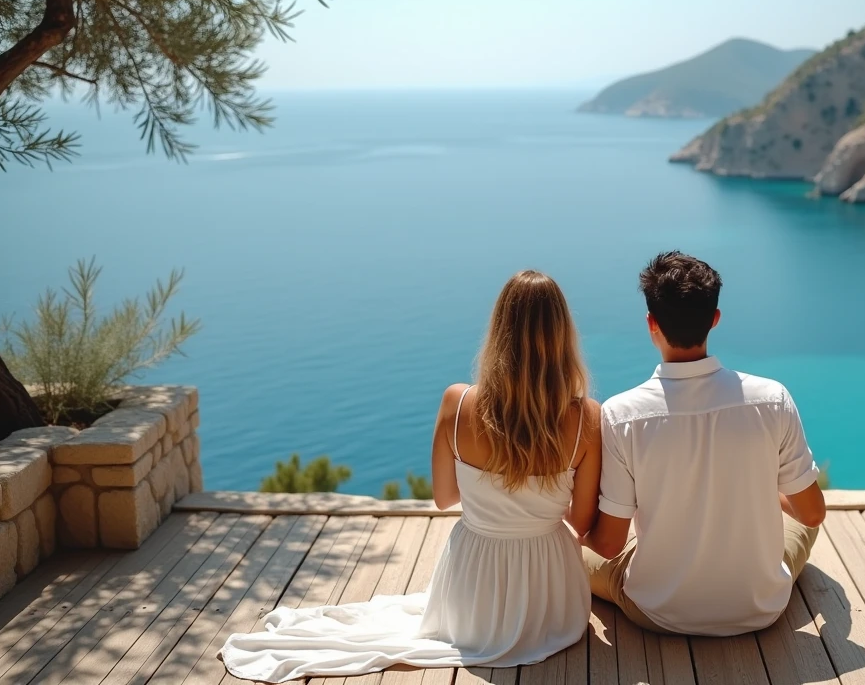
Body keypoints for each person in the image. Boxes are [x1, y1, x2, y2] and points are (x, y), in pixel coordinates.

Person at [219, 271, 601, 682]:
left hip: (471, 584)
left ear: (499, 332)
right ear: (562, 335)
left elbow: (442, 497)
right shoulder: (586, 419)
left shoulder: (458, 402)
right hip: (550, 598)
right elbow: (579, 524)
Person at [581, 251, 825, 636]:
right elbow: (811, 513)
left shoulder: (620, 414)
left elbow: (610, 544)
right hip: (761, 607)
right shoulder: (772, 398)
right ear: (715, 319)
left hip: (658, 611)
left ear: (651, 323)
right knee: (803, 522)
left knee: (575, 554)